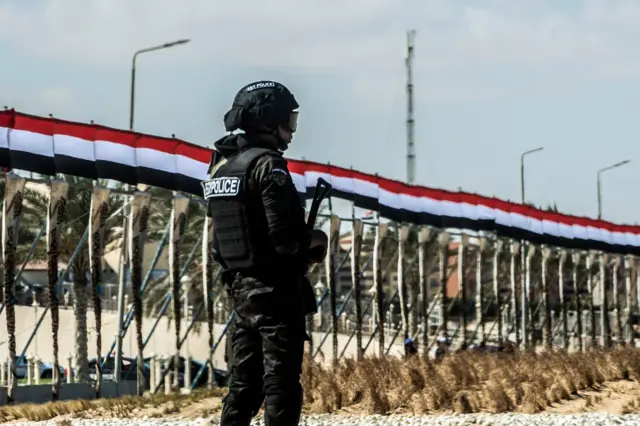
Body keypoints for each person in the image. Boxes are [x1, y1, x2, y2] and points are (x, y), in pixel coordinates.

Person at [203, 80, 328, 426]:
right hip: (275, 291)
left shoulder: (222, 168)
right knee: (281, 385)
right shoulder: (268, 165)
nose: (292, 131)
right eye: (289, 121)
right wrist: (316, 241)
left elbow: (223, 238)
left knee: (243, 387)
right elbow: (283, 239)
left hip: (239, 292)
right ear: (269, 121)